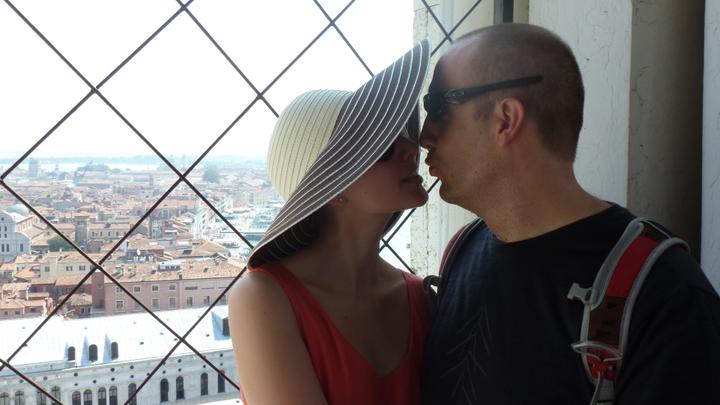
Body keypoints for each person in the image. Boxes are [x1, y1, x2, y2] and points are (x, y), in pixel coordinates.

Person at [418, 23, 720, 404]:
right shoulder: (462, 251)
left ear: (506, 119)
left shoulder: (665, 296)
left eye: (439, 107)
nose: (424, 135)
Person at [228, 40, 431, 405]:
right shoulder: (262, 298)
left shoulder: (419, 296)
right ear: (333, 187)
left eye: (402, 135)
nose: (412, 149)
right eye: (383, 147)